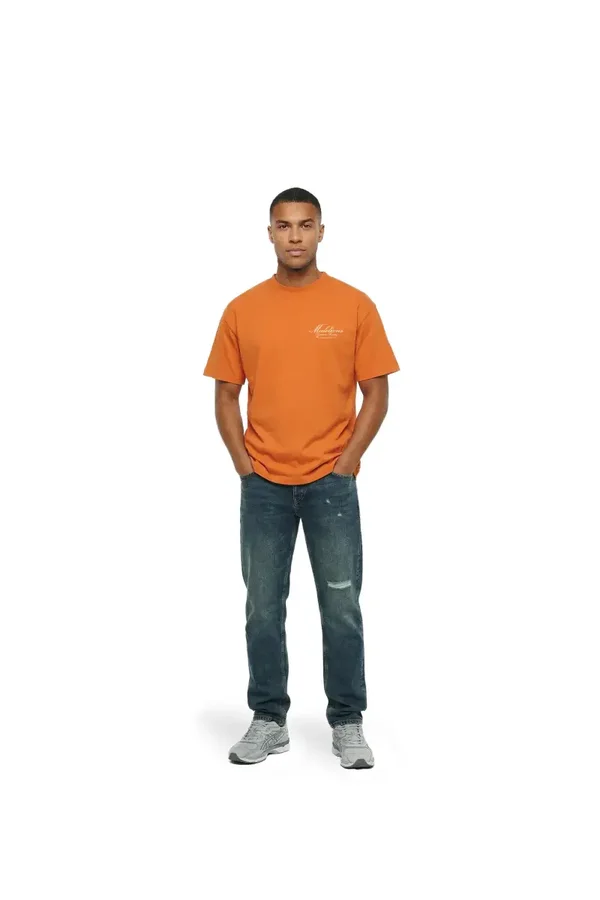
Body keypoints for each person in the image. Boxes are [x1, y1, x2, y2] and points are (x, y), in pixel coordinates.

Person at [203, 187, 400, 768]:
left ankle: (348, 722)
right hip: (263, 483)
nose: (295, 236)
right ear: (269, 232)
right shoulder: (242, 309)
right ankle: (269, 719)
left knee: (341, 607)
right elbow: (225, 395)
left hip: (331, 485)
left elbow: (377, 392)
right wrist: (244, 467)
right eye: (284, 225)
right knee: (263, 607)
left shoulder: (354, 305)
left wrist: (347, 463)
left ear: (321, 231)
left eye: (305, 225)